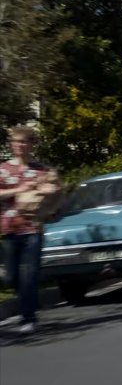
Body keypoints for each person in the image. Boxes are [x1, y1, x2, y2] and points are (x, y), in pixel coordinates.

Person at [0, 126, 62, 334]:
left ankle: (29, 317)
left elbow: (54, 192)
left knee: (29, 274)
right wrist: (18, 190)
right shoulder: (4, 169)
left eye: (25, 142)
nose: (20, 146)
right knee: (11, 277)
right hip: (9, 229)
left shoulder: (40, 170)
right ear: (12, 145)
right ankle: (30, 302)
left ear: (31, 145)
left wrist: (50, 191)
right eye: (17, 142)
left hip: (33, 229)